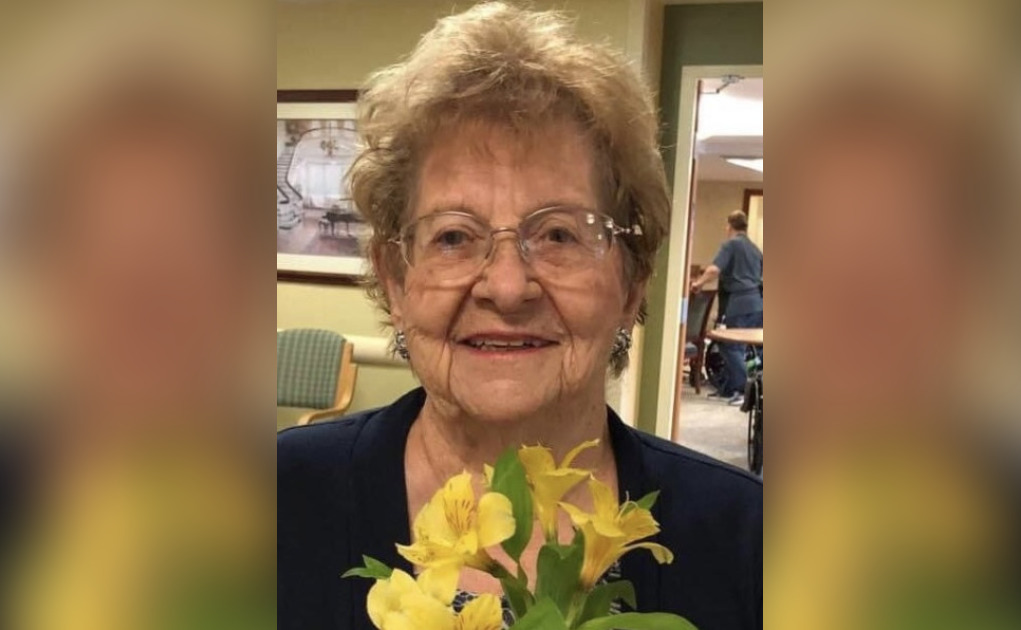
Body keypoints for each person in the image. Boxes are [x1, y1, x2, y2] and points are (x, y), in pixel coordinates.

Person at [277, 4, 761, 629]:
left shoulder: (753, 544)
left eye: (559, 234)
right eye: (453, 237)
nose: (507, 287)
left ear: (633, 281)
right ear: (395, 280)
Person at [691, 210, 763, 405]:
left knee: (730, 346)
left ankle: (744, 390)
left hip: (739, 304)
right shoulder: (755, 249)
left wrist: (698, 284)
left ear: (729, 226)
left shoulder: (730, 245)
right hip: (757, 305)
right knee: (748, 350)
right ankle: (730, 388)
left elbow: (714, 269)